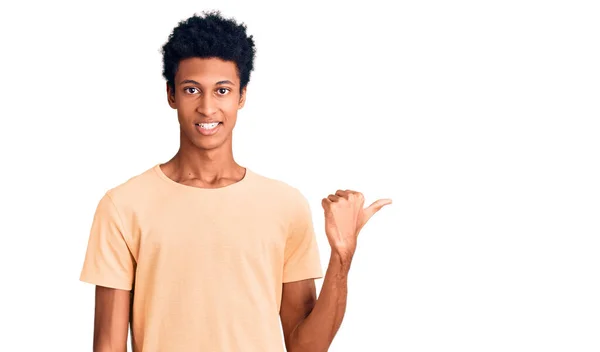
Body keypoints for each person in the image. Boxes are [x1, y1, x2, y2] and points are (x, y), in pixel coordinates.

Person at [79, 10, 392, 352]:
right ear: (171, 95)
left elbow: (306, 347)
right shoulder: (124, 206)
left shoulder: (284, 205)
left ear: (242, 96)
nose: (207, 107)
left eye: (223, 90)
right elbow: (108, 345)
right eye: (192, 89)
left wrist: (342, 257)